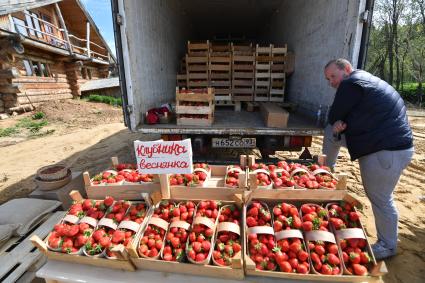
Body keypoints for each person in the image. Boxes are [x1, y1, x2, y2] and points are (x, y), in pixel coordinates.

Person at [322, 58, 414, 260]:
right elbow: (344, 117)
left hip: (386, 149)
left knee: (380, 198)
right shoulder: (365, 82)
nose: (331, 82)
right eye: (328, 79)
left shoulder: (352, 83)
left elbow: (334, 114)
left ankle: (388, 245)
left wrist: (338, 121)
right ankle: (325, 173)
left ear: (346, 69)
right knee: (331, 132)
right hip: (386, 143)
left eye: (333, 76)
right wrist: (339, 124)